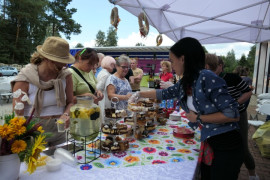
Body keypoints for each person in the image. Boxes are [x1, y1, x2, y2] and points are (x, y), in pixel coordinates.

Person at [129, 37, 243, 180]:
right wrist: (139, 94)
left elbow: (233, 114)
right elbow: (165, 93)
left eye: (172, 60)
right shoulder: (189, 79)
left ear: (182, 59)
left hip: (226, 145)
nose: (172, 64)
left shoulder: (206, 77)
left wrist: (199, 118)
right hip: (210, 140)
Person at [11, 36, 75, 146]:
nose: (64, 65)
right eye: (60, 61)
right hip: (33, 132)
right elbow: (17, 112)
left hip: (58, 130)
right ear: (46, 58)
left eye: (65, 61)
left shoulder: (66, 75)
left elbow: (71, 102)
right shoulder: (26, 77)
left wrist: (66, 114)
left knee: (62, 162)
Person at [212, 56, 258, 180]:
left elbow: (248, 92)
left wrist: (236, 104)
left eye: (214, 66)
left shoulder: (232, 77)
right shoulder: (209, 80)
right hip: (221, 118)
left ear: (221, 66)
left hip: (239, 115)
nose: (210, 69)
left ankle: (253, 175)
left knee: (243, 147)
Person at [96, 56, 116, 122]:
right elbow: (98, 87)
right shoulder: (106, 74)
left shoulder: (102, 72)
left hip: (102, 99)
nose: (114, 67)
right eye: (113, 65)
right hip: (104, 100)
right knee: (105, 120)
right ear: (110, 64)